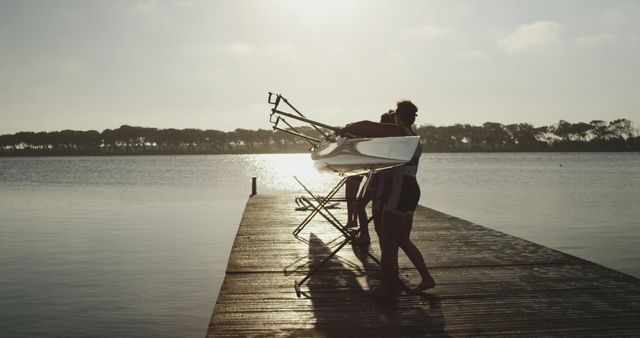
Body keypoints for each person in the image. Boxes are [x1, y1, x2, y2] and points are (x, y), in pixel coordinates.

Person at [339, 100, 436, 295]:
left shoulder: (401, 133)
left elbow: (369, 125)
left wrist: (347, 128)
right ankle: (426, 278)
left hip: (399, 190)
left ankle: (386, 286)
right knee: (402, 238)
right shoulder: (415, 137)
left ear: (398, 116)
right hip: (412, 188)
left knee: (389, 240)